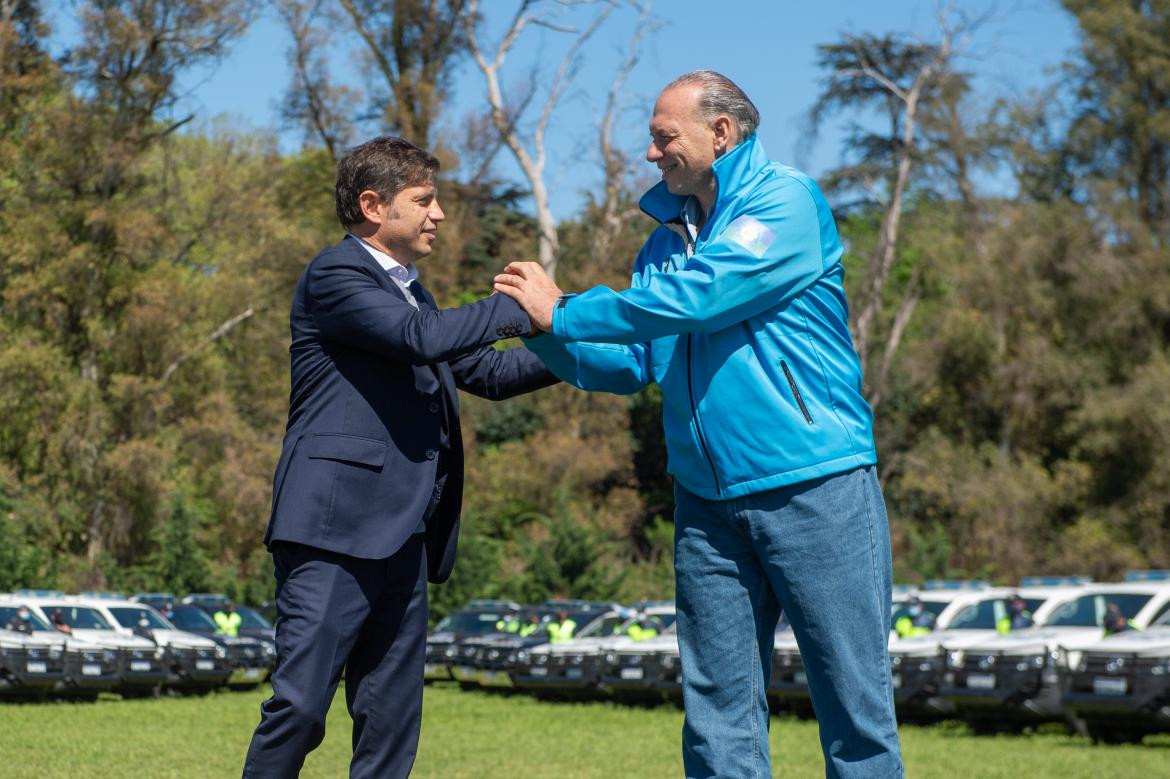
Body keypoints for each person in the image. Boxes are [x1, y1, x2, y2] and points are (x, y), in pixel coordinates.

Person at [495, 71, 903, 777]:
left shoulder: (786, 201)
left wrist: (563, 307)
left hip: (817, 489)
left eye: (663, 137)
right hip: (706, 506)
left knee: (854, 715)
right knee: (716, 722)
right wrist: (542, 333)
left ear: (721, 133)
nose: (651, 154)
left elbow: (700, 297)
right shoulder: (663, 243)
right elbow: (632, 364)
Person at [243, 136, 557, 779]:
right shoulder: (337, 274)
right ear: (372, 206)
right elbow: (420, 341)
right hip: (332, 530)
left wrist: (587, 344)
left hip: (406, 534)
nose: (438, 214)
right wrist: (518, 307)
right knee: (301, 708)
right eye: (424, 200)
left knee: (390, 723)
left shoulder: (416, 293)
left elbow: (488, 376)